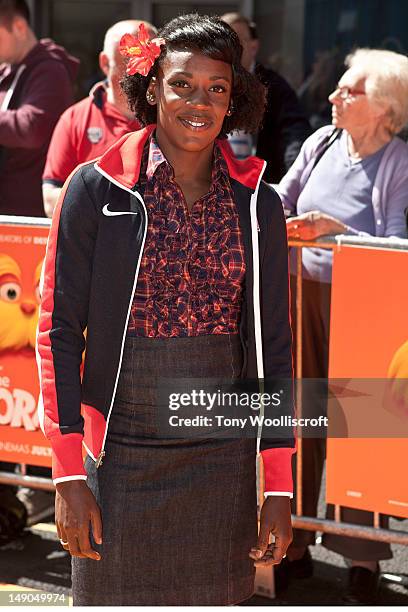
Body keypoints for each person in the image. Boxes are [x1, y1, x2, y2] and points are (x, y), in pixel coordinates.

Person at [36, 14, 296, 605]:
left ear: (236, 100)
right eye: (182, 83)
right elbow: (57, 332)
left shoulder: (258, 203)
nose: (198, 101)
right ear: (152, 88)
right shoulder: (96, 189)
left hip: (222, 459)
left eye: (217, 87)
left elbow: (272, 345)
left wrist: (276, 485)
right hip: (119, 450)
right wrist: (69, 473)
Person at [276, 47, 408, 604]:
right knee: (299, 414)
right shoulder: (319, 142)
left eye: (348, 90)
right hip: (301, 295)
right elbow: (278, 201)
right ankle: (295, 541)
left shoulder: (398, 163)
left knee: (359, 424)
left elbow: (399, 244)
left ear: (383, 107)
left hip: (364, 306)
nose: (332, 97)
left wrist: (339, 233)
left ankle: (361, 553)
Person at [42, 19, 156, 218]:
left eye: (150, 61)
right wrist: (105, 214)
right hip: (96, 244)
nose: (142, 71)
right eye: (130, 60)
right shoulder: (75, 118)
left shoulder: (172, 117)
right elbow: (51, 198)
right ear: (105, 63)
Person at [0, 0, 79, 217]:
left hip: (27, 214)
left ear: (19, 27)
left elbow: (31, 128)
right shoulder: (8, 69)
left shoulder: (50, 70)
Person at [220, 12, 311, 182]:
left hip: (260, 183)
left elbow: (294, 132)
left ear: (254, 47)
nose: (229, 48)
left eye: (236, 40)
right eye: (222, 41)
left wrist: (295, 176)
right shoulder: (208, 82)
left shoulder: (274, 86)